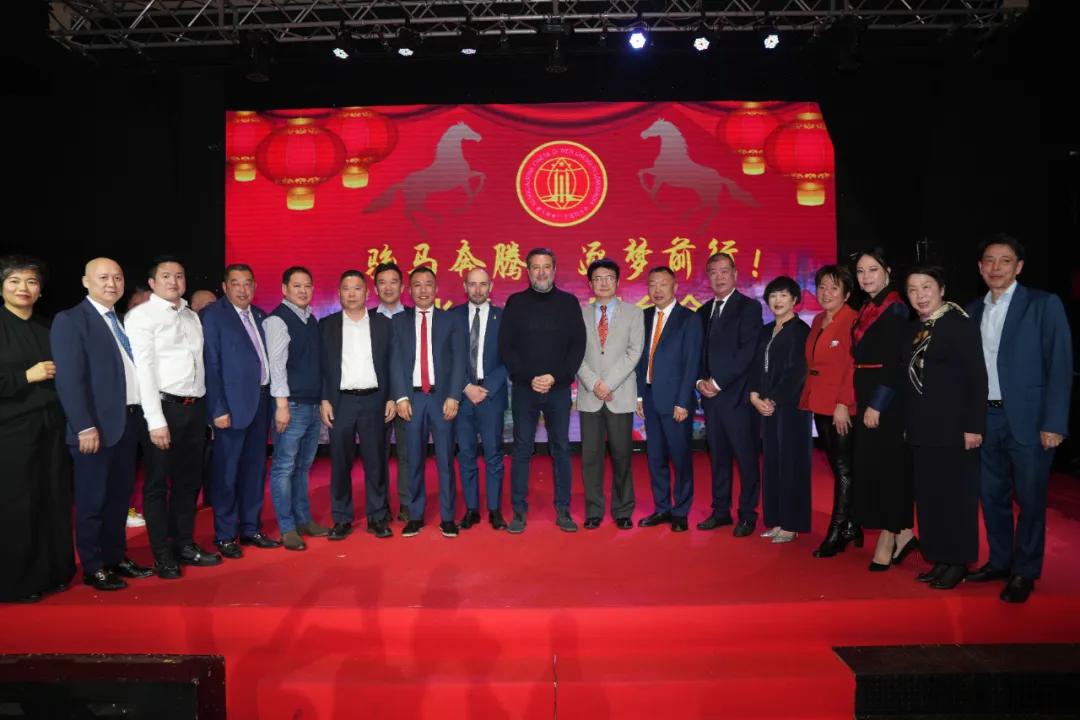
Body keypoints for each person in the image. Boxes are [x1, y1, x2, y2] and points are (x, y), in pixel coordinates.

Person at [965, 234, 1073, 603]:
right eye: (989, 261)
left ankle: (1025, 570)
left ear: (1019, 267)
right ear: (980, 267)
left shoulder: (1043, 305)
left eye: (1005, 261)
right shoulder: (972, 311)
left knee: (1030, 499)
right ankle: (1000, 561)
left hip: (1030, 421)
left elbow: (1060, 365)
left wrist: (1054, 422)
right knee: (991, 495)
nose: (996, 267)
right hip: (985, 419)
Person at [52, 258, 153, 592]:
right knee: (92, 501)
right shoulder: (71, 320)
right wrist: (83, 426)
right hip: (93, 429)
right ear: (86, 281)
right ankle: (93, 566)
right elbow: (69, 380)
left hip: (126, 424)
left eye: (118, 277)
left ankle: (115, 557)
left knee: (119, 499)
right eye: (104, 277)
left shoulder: (122, 321)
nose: (112, 283)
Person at [124, 255, 221, 578]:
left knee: (188, 482)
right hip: (163, 408)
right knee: (156, 484)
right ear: (152, 283)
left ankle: (184, 544)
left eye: (179, 276)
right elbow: (144, 371)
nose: (174, 281)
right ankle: (162, 554)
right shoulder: (141, 316)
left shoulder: (191, 316)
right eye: (166, 276)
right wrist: (155, 420)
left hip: (194, 408)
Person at [902, 265, 987, 590]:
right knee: (930, 498)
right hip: (922, 428)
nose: (920, 295)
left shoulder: (960, 325)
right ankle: (939, 557)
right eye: (912, 290)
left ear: (941, 289)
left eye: (926, 287)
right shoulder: (916, 328)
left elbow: (976, 379)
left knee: (957, 498)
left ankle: (958, 561)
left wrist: (974, 426)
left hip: (955, 428)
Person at [0, 255, 75, 603]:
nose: (23, 288)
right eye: (14, 281)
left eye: (31, 282)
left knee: (53, 498)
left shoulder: (49, 328)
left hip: (52, 428)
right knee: (18, 505)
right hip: (11, 431)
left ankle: (54, 572)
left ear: (41, 290)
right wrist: (25, 377)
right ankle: (16, 582)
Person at [498, 248, 587, 534]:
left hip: (558, 389)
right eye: (535, 267)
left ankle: (563, 510)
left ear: (554, 269)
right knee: (522, 448)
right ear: (528, 271)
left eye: (546, 266)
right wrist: (529, 378)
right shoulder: (515, 302)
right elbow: (507, 347)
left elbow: (577, 345)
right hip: (524, 389)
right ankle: (519, 511)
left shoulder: (569, 303)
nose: (541, 272)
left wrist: (556, 376)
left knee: (561, 448)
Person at [202, 263, 280, 558]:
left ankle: (251, 528)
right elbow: (211, 364)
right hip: (231, 409)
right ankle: (224, 535)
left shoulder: (260, 315)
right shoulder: (213, 316)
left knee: (254, 470)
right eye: (236, 283)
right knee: (227, 473)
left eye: (248, 283)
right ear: (225, 287)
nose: (243, 289)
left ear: (255, 286)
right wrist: (217, 409)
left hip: (260, 403)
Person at [849, 249, 917, 572]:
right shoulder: (868, 306)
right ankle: (904, 533)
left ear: (887, 271)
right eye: (861, 271)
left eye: (873, 269)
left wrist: (877, 403)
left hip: (886, 398)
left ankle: (889, 536)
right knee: (875, 466)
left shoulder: (896, 307)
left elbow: (895, 361)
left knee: (889, 468)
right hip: (867, 391)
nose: (866, 277)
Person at [320, 271, 396, 541]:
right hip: (341, 402)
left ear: (367, 293)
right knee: (340, 462)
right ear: (339, 293)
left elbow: (392, 364)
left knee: (376, 462)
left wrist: (392, 397)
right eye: (346, 289)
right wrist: (324, 399)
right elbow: (321, 367)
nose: (351, 294)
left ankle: (377, 517)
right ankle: (342, 518)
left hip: (375, 400)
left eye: (357, 289)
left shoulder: (383, 324)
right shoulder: (327, 325)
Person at [392, 267, 465, 538]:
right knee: (413, 460)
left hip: (441, 398)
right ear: (409, 290)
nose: (423, 290)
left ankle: (447, 517)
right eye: (417, 285)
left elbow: (459, 360)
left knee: (445, 459)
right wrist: (400, 396)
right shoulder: (398, 321)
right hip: (411, 399)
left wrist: (454, 396)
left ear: (436, 289)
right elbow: (394, 362)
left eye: (428, 285)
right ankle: (415, 516)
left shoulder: (451, 320)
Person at [695, 252, 764, 537]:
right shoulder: (702, 312)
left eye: (724, 271)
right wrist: (700, 381)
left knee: (746, 459)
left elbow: (747, 352)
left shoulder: (749, 307)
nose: (719, 277)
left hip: (738, 399)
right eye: (713, 272)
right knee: (719, 459)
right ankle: (720, 511)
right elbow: (698, 353)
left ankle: (747, 514)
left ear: (735, 274)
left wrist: (718, 382)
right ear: (708, 277)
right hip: (711, 401)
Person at [263, 266, 329, 551]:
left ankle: (304, 520)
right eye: (297, 285)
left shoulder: (311, 319)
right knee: (284, 467)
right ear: (284, 289)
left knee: (302, 467)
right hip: (290, 405)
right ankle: (287, 527)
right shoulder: (278, 320)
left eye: (307, 286)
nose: (303, 291)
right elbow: (276, 366)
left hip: (311, 405)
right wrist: (281, 405)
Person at [800, 265, 863, 558]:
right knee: (838, 466)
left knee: (844, 469)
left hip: (841, 407)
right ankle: (852, 523)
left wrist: (844, 403)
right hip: (820, 402)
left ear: (847, 294)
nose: (826, 293)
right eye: (822, 287)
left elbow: (854, 365)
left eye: (834, 288)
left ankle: (839, 530)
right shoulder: (817, 319)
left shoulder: (853, 320)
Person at [576, 259, 644, 530]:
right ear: (590, 283)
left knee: (622, 455)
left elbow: (634, 352)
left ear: (617, 281)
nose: (603, 282)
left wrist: (609, 384)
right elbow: (575, 353)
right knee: (590, 457)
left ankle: (623, 510)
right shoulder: (579, 314)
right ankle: (594, 510)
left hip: (620, 394)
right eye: (598, 278)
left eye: (609, 277)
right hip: (590, 394)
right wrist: (595, 383)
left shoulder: (634, 313)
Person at [635, 266, 703, 533]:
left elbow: (691, 362)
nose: (657, 290)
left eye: (663, 284)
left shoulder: (689, 318)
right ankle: (662, 507)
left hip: (676, 402)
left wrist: (683, 401)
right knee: (655, 458)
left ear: (675, 287)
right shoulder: (643, 316)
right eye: (652, 284)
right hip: (650, 398)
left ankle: (681, 511)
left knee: (680, 457)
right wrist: (639, 395)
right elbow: (640, 360)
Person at [749, 276, 812, 544]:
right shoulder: (765, 331)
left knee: (792, 464)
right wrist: (754, 396)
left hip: (791, 409)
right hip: (766, 408)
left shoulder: (800, 331)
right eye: (773, 295)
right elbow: (756, 367)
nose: (777, 300)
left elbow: (796, 372)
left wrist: (772, 400)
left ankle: (792, 523)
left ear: (795, 300)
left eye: (784, 295)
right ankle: (776, 520)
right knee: (773, 464)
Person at [451, 268, 510, 531]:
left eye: (482, 284)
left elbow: (511, 357)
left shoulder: (503, 317)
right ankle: (472, 509)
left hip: (491, 396)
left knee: (493, 454)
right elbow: (447, 357)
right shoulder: (452, 317)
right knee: (466, 454)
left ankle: (495, 510)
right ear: (464, 286)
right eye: (472, 284)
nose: (477, 290)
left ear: (491, 286)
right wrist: (466, 386)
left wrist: (486, 388)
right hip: (462, 397)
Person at [373, 262, 411, 522]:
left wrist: (400, 396)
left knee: (409, 454)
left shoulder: (413, 317)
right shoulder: (364, 319)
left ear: (402, 286)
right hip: (375, 400)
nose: (388, 287)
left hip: (408, 398)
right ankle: (380, 507)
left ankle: (407, 504)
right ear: (375, 288)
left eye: (393, 281)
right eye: (382, 282)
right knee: (377, 455)